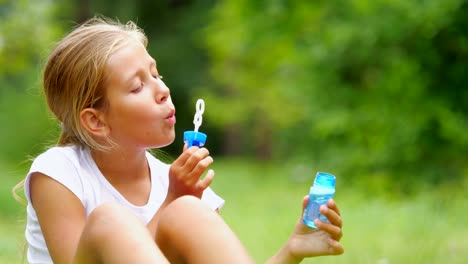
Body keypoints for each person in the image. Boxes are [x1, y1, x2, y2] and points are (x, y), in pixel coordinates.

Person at [16, 16, 344, 264]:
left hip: (180, 200)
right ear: (96, 120)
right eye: (137, 86)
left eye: (156, 74)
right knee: (111, 218)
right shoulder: (59, 172)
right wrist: (172, 197)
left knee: (187, 210)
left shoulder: (179, 186)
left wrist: (292, 250)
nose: (162, 90)